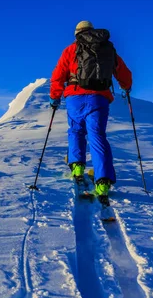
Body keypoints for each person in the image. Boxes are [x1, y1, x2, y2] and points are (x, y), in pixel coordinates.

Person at [49, 21, 132, 212]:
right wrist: (126, 87)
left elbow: (58, 74)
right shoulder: (108, 49)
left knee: (76, 130)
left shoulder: (71, 49)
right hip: (99, 98)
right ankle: (103, 181)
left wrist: (55, 97)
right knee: (97, 135)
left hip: (75, 96)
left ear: (77, 33)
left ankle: (77, 167)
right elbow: (124, 72)